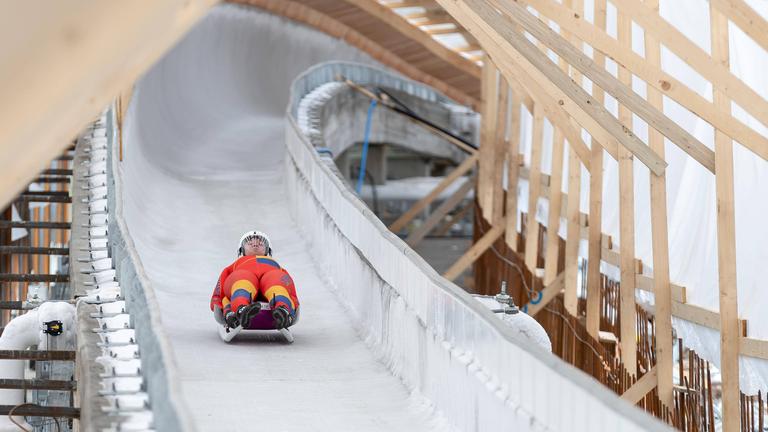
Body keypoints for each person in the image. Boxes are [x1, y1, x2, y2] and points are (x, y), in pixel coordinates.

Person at [210, 231, 299, 329]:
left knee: (276, 279)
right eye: (250, 243)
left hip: (270, 281)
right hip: (243, 281)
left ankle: (282, 310)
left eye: (260, 243)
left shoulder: (279, 268)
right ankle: (242, 309)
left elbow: (290, 290)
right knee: (242, 278)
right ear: (242, 250)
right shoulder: (234, 266)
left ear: (267, 250)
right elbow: (220, 291)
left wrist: (294, 305)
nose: (255, 244)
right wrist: (217, 304)